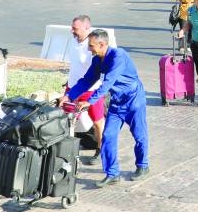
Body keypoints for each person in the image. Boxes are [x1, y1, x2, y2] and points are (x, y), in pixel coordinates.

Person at [59, 29, 149, 187]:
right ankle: (112, 173)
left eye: (91, 46)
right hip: (117, 102)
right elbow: (87, 80)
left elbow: (108, 82)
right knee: (108, 136)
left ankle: (143, 165)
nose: (89, 49)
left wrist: (91, 101)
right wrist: (69, 96)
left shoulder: (118, 56)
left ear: (102, 44)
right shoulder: (97, 61)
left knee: (139, 135)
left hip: (134, 100)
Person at [63, 15, 106, 164]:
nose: (72, 31)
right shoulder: (73, 41)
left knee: (98, 122)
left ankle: (100, 150)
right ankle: (67, 149)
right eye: (72, 28)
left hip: (91, 89)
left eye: (75, 29)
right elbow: (74, 64)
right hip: (73, 87)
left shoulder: (94, 44)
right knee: (67, 119)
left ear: (87, 28)